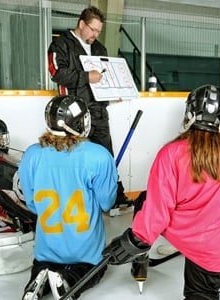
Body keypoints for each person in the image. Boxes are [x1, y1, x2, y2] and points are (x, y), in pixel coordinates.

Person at [104, 84, 220, 300]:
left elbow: (157, 210)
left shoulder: (170, 152)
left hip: (177, 231)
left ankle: (141, 259)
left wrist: (135, 240)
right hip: (212, 243)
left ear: (189, 113)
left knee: (143, 200)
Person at [19, 95, 118, 300]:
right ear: (82, 122)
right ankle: (67, 280)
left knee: (43, 266)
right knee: (93, 270)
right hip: (85, 252)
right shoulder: (99, 155)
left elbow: (32, 203)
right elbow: (106, 203)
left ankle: (37, 280)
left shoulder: (31, 154)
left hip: (46, 249)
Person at [47, 5, 129, 208]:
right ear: (81, 24)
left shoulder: (100, 48)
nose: (95, 34)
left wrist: (113, 92)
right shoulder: (61, 44)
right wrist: (86, 76)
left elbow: (104, 76)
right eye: (92, 29)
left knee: (106, 156)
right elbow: (56, 73)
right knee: (75, 156)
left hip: (98, 112)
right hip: (73, 115)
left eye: (99, 31)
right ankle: (76, 199)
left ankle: (114, 197)